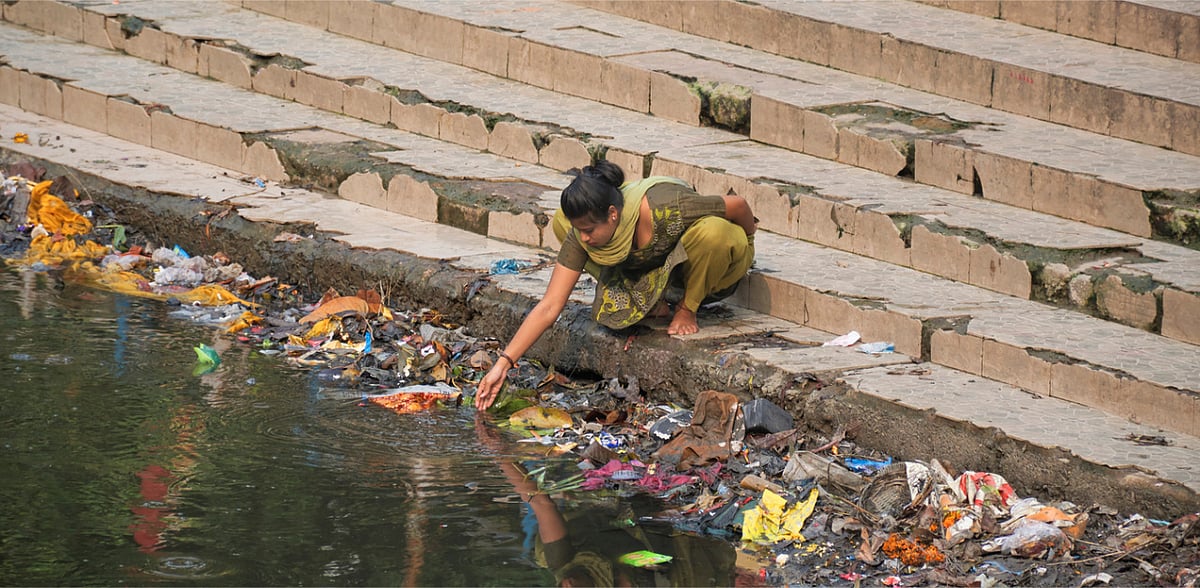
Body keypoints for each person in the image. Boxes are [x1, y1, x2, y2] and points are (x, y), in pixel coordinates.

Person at [475, 160, 756, 410]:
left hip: (705, 270)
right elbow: (550, 306)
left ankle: (686, 308)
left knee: (717, 233)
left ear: (612, 214)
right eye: (581, 231)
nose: (584, 238)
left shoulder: (666, 206)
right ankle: (651, 300)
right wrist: (503, 364)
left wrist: (748, 243)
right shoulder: (585, 232)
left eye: (589, 230)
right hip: (654, 273)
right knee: (562, 225)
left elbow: (739, 206)